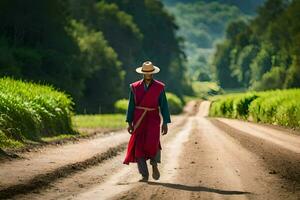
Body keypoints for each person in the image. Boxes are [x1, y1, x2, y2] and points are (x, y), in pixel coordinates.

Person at [123, 61, 171, 182]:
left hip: (153, 118)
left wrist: (165, 122)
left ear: (152, 73)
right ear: (143, 73)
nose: (148, 74)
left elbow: (164, 105)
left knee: (153, 143)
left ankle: (154, 164)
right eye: (146, 72)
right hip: (138, 119)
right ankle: (144, 175)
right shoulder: (135, 87)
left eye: (150, 72)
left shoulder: (159, 87)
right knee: (138, 146)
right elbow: (131, 105)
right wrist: (129, 121)